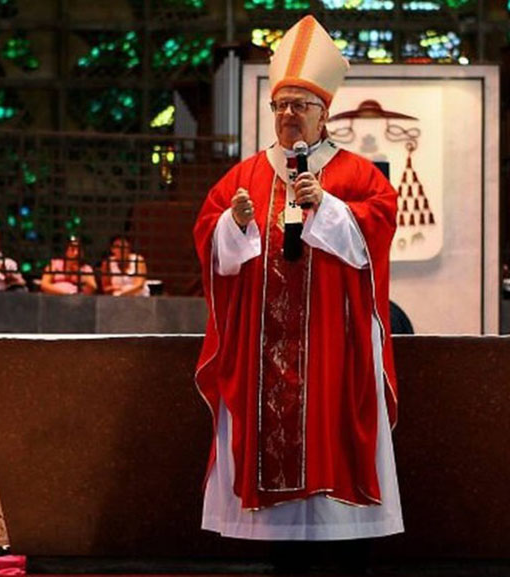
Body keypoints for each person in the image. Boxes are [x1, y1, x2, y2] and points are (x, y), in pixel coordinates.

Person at [193, 15, 402, 541]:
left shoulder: (358, 174)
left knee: (327, 442)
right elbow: (210, 241)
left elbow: (378, 226)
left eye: (299, 105)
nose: (288, 115)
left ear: (324, 112)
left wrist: (329, 207)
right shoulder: (244, 176)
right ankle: (271, 545)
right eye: (280, 105)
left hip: (332, 345)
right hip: (261, 348)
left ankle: (338, 542)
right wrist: (232, 224)